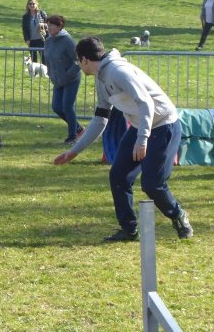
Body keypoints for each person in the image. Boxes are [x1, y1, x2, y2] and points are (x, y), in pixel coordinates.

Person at [54, 37, 193, 241]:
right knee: (118, 176)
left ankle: (178, 215)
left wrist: (142, 139)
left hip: (164, 125)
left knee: (152, 184)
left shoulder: (119, 72)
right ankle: (129, 229)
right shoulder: (102, 79)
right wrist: (74, 151)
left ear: (84, 60)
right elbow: (101, 119)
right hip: (140, 127)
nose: (78, 65)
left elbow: (146, 104)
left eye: (78, 61)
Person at [44, 15, 85, 144]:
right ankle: (78, 128)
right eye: (48, 25)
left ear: (59, 26)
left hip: (71, 80)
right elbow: (48, 59)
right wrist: (51, 73)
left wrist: (68, 74)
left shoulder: (67, 41)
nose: (48, 27)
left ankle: (72, 136)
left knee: (67, 107)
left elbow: (78, 60)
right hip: (58, 80)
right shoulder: (48, 41)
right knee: (57, 107)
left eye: (51, 25)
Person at [22, 0, 48, 65]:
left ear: (37, 4)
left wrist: (43, 25)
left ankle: (45, 73)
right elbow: (24, 29)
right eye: (30, 4)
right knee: (34, 58)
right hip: (31, 40)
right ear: (28, 5)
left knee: (44, 57)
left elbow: (49, 25)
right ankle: (35, 73)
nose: (32, 5)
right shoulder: (25, 17)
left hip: (42, 39)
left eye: (33, 3)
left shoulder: (42, 14)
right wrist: (26, 39)